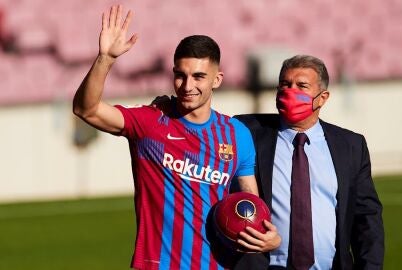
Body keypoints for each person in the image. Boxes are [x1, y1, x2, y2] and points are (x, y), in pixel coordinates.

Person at [72, 5, 279, 270]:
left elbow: (250, 207)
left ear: (217, 80)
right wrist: (106, 59)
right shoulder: (150, 122)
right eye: (180, 76)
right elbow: (85, 109)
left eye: (198, 77)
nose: (187, 86)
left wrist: (268, 237)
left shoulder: (237, 135)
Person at [233, 55, 384, 270]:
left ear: (322, 97)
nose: (290, 91)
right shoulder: (246, 130)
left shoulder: (350, 146)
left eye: (301, 86)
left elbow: (367, 218)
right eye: (285, 84)